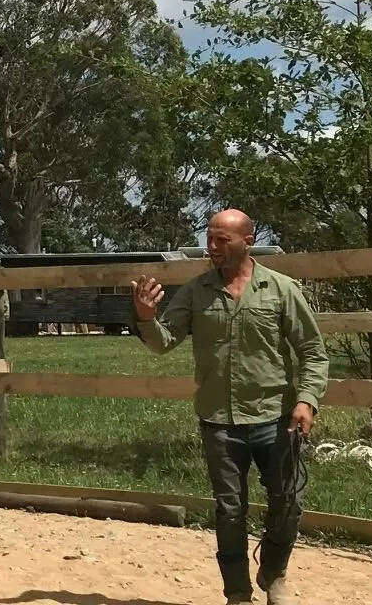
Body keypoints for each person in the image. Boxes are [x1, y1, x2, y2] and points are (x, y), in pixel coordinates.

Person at [131, 208, 327, 605]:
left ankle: (273, 576)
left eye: (223, 239)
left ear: (247, 242)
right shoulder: (196, 291)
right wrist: (147, 318)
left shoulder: (281, 290)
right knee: (230, 511)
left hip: (276, 418)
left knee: (288, 503)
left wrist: (306, 400)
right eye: (210, 237)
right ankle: (237, 593)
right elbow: (164, 342)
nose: (213, 246)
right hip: (219, 421)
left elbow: (312, 350)